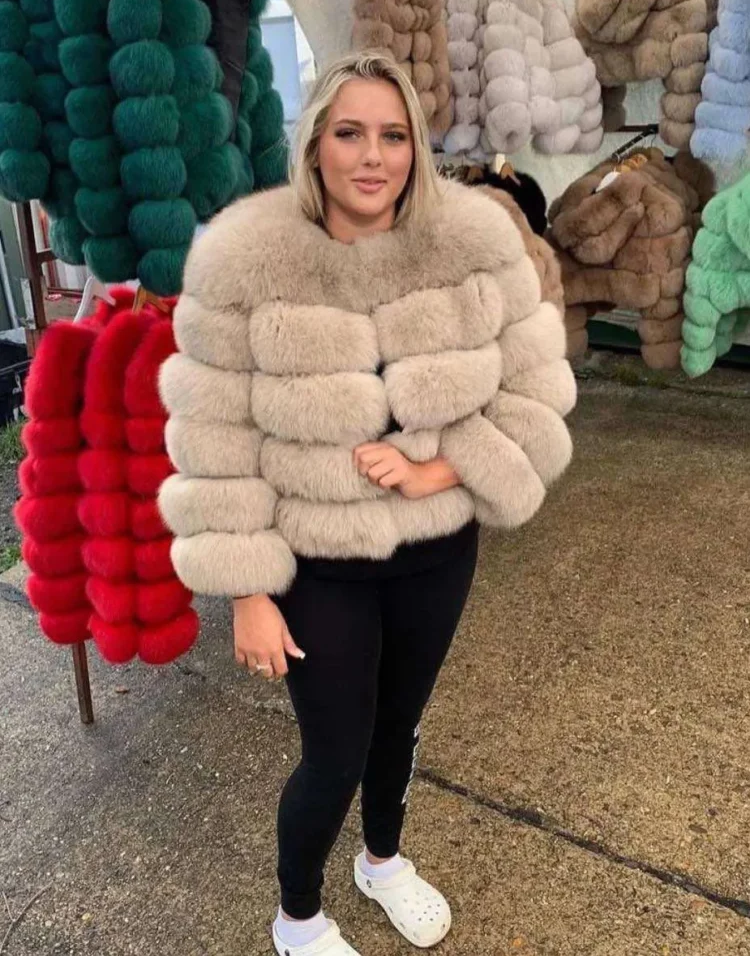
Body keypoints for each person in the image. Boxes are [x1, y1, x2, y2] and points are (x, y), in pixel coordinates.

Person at [159, 50, 576, 956]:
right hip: (317, 562)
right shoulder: (242, 259)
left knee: (400, 725)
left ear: (417, 147)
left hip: (438, 550)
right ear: (315, 143)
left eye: (393, 135)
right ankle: (298, 916)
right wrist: (247, 589)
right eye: (350, 133)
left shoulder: (475, 240)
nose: (373, 156)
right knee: (335, 751)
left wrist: (445, 471)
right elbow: (214, 435)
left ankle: (382, 861)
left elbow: (537, 392)